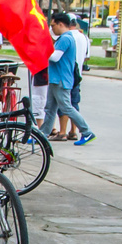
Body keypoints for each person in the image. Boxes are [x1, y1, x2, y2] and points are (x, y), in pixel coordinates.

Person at [43, 12, 95, 145]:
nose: (52, 28)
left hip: (61, 79)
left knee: (66, 108)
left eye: (53, 25)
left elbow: (55, 57)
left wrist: (42, 50)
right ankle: (42, 134)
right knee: (50, 108)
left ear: (61, 24)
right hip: (56, 79)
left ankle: (87, 132)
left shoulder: (66, 39)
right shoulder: (64, 38)